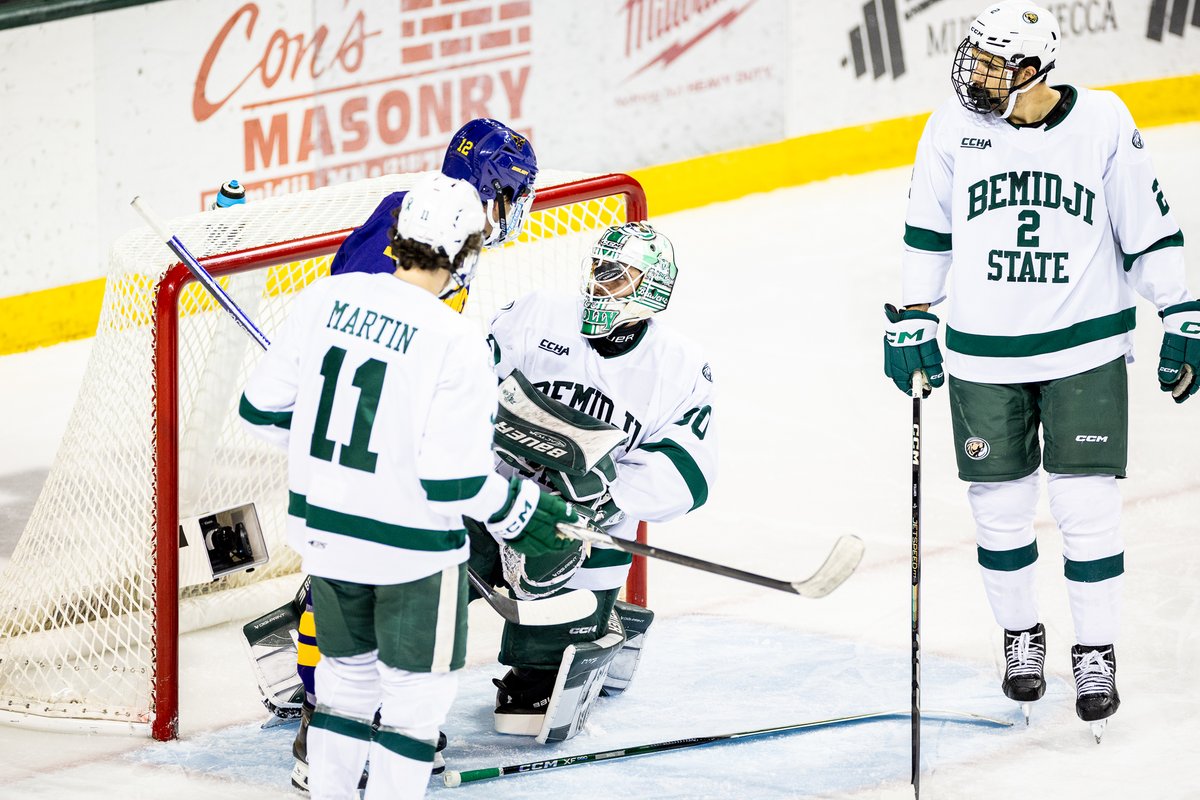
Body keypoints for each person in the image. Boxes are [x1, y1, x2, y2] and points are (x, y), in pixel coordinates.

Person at [882, 0, 1198, 739]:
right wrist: (912, 315)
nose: (976, 74)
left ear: (1034, 69)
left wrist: (1180, 309)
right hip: (983, 351)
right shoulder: (951, 127)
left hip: (1084, 348)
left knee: (1086, 509)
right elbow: (927, 229)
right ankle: (1021, 636)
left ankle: (1095, 651)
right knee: (997, 509)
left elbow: (1146, 224)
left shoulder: (1104, 121)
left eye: (993, 63)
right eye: (977, 57)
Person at [239, 173, 578, 800]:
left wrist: (343, 457)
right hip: (411, 556)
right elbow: (454, 483)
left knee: (342, 695)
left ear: (394, 238)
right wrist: (522, 509)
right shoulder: (456, 340)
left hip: (327, 540)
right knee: (413, 716)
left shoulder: (326, 298)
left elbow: (258, 413)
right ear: (467, 255)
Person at [285, 117, 538, 790]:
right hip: (351, 436)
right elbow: (362, 317)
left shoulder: (443, 225)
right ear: (498, 190)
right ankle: (323, 720)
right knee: (350, 571)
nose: (518, 205)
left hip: (378, 432)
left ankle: (355, 720)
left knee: (364, 569)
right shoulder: (412, 225)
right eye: (516, 191)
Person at [474, 220, 718, 736]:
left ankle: (593, 630)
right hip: (497, 496)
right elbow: (467, 386)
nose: (597, 284)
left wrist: (602, 499)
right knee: (427, 572)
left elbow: (689, 473)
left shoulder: (678, 366)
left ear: (651, 286)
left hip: (581, 530)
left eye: (616, 275)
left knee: (527, 706)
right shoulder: (536, 313)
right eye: (596, 270)